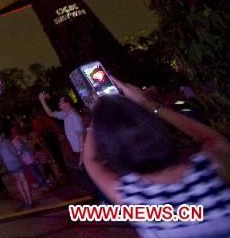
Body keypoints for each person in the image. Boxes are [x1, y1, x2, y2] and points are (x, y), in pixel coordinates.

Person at [83, 78, 230, 236]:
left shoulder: (132, 196)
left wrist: (97, 114)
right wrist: (147, 104)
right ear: (156, 128)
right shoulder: (211, 170)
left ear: (114, 151)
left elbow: (91, 160)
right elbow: (214, 139)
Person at [39, 92, 85, 165]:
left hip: (83, 151)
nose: (58, 104)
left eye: (60, 102)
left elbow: (80, 134)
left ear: (67, 104)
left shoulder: (74, 116)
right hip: (77, 151)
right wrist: (42, 101)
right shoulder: (65, 114)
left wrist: (82, 152)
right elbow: (50, 113)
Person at [0, 129, 33, 209]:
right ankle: (30, 200)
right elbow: (15, 152)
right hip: (16, 162)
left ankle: (25, 200)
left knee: (18, 181)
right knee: (23, 179)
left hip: (9, 165)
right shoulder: (7, 141)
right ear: (2, 133)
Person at [32, 108, 68, 174]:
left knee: (57, 152)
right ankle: (61, 167)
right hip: (48, 137)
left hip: (49, 136)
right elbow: (38, 133)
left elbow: (52, 126)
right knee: (55, 152)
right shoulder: (37, 120)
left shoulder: (41, 118)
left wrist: (57, 133)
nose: (38, 115)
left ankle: (62, 167)